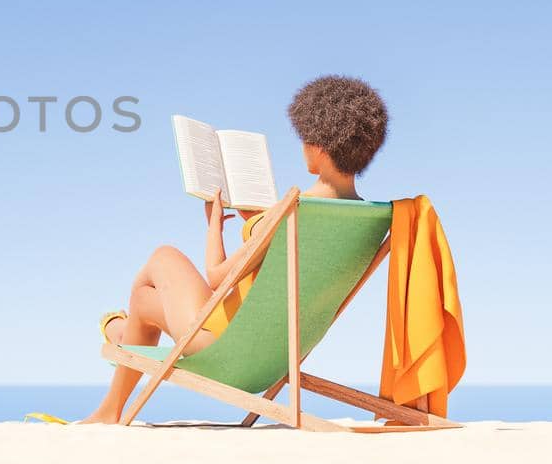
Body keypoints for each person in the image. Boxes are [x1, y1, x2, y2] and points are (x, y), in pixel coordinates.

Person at [77, 75, 390, 425]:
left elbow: (216, 277)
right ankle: (119, 345)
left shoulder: (289, 212)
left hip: (221, 353)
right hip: (275, 359)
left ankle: (117, 354)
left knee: (163, 258)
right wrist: (258, 224)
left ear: (316, 148)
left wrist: (214, 225)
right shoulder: (372, 219)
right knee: (144, 303)